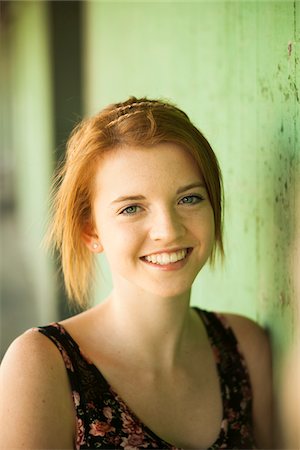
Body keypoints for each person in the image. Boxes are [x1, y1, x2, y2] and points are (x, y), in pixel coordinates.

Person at [0, 97, 273, 450]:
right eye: (132, 208)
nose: (168, 230)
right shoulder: (41, 366)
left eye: (189, 199)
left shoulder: (245, 348)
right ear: (91, 231)